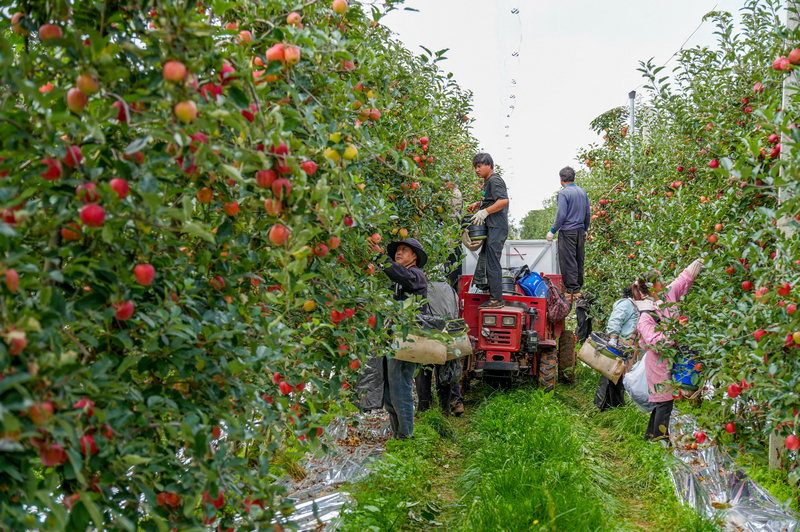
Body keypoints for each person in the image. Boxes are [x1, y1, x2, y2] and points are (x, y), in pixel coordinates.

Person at [633, 259, 704, 442]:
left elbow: (683, 279)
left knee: (663, 402)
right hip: (658, 361)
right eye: (660, 279)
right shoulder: (646, 315)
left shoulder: (668, 295)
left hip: (672, 358)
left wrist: (700, 261)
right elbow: (655, 342)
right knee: (664, 402)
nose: (664, 281)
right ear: (652, 286)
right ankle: (661, 442)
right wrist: (675, 329)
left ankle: (650, 438)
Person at [368, 237, 430, 440]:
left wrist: (380, 256)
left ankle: (405, 437)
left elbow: (399, 273)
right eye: (398, 249)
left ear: (414, 256)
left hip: (406, 340)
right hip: (394, 340)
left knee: (400, 388)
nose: (399, 252)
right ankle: (398, 434)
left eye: (405, 250)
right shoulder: (399, 280)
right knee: (389, 390)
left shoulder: (415, 275)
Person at [468, 153, 509, 309]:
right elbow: (492, 200)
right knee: (487, 260)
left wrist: (485, 212)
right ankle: (493, 296)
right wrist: (479, 205)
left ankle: (496, 300)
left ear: (489, 165)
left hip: (497, 227)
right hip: (492, 227)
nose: (477, 170)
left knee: (492, 262)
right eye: (475, 167)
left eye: (480, 166)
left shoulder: (494, 180)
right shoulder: (488, 182)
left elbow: (503, 200)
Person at [546, 167, 591, 302]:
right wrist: (585, 228)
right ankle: (578, 288)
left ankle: (572, 290)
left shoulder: (564, 194)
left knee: (568, 260)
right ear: (574, 177)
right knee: (579, 259)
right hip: (580, 230)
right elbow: (588, 213)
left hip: (568, 231)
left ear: (561, 179)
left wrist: (553, 230)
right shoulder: (582, 192)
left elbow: (561, 214)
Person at [594, 286, 639, 411]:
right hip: (620, 344)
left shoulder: (634, 306)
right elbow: (615, 320)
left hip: (627, 345)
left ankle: (610, 405)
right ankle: (613, 405)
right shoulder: (626, 304)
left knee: (616, 374)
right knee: (615, 374)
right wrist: (613, 338)